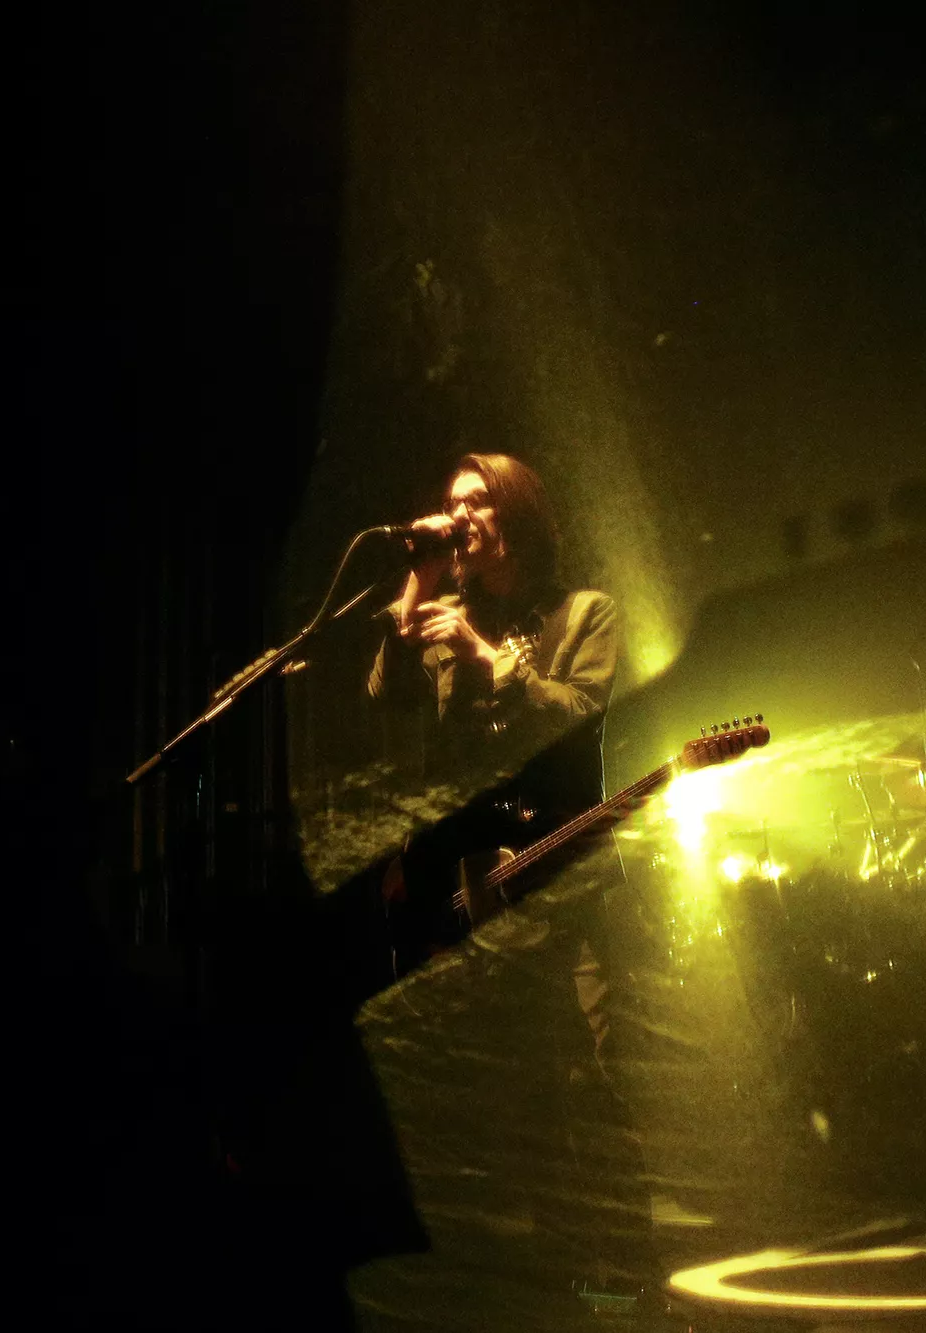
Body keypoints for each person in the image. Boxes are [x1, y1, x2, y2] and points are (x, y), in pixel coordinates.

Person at [365, 453, 656, 1297]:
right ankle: (559, 1286)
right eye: (449, 502)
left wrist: (490, 656)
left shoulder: (585, 612)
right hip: (475, 890)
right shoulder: (447, 613)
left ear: (515, 513)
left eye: (476, 500)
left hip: (565, 881)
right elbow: (385, 698)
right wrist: (418, 587)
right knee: (513, 1097)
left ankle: (630, 1283)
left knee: (584, 1080)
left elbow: (581, 714)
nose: (457, 513)